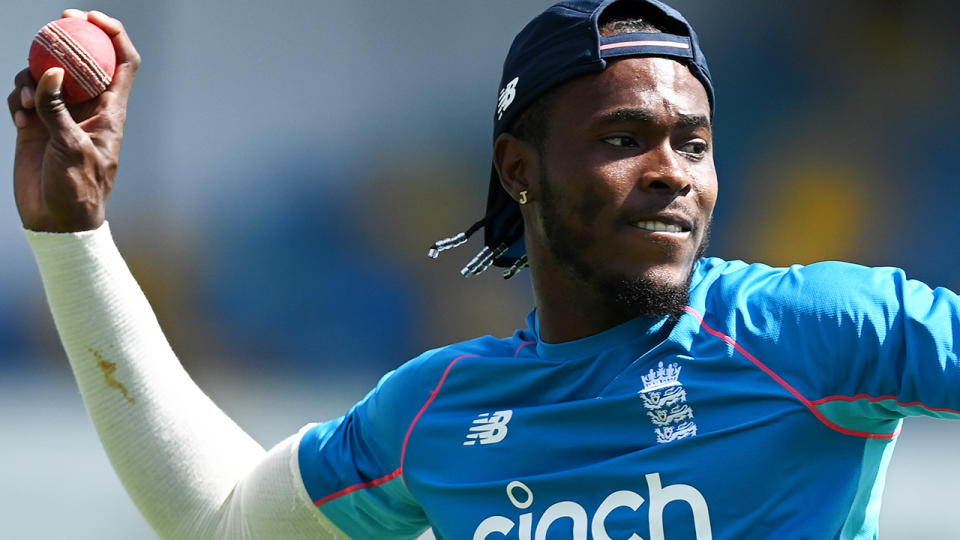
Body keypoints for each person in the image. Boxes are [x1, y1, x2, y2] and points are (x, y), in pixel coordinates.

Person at [8, 1, 960, 539]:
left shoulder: (818, 329)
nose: (672, 169)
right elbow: (223, 522)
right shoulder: (437, 410)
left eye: (695, 141)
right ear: (519, 170)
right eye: (624, 138)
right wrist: (73, 235)